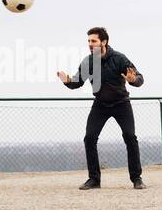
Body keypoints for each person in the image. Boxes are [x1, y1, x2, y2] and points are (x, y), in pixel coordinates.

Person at [57, 27, 146, 190]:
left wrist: (133, 80)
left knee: (130, 136)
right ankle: (94, 180)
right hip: (100, 104)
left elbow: (139, 78)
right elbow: (77, 82)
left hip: (121, 104)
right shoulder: (88, 62)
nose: (90, 44)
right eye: (89, 41)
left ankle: (137, 179)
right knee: (89, 138)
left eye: (94, 41)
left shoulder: (119, 58)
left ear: (103, 42)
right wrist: (67, 81)